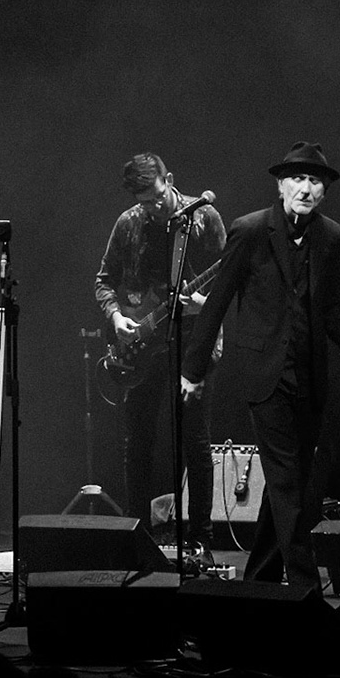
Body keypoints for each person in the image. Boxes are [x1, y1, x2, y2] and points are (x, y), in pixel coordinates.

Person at [181, 142, 340, 589]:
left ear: (324, 190)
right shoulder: (250, 230)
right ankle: (305, 586)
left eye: (315, 181)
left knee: (292, 482)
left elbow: (331, 308)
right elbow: (217, 302)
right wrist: (193, 370)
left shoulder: (332, 237)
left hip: (311, 376)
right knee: (288, 483)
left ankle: (259, 580)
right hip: (264, 373)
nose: (306, 189)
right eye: (298, 179)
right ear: (280, 185)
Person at [94, 153, 227, 561]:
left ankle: (201, 540)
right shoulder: (129, 223)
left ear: (169, 180)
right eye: (143, 201)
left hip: (193, 343)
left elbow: (230, 280)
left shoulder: (204, 219)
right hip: (142, 347)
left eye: (156, 197)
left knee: (195, 443)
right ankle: (138, 537)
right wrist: (116, 317)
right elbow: (104, 280)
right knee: (138, 443)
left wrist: (201, 304)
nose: (152, 207)